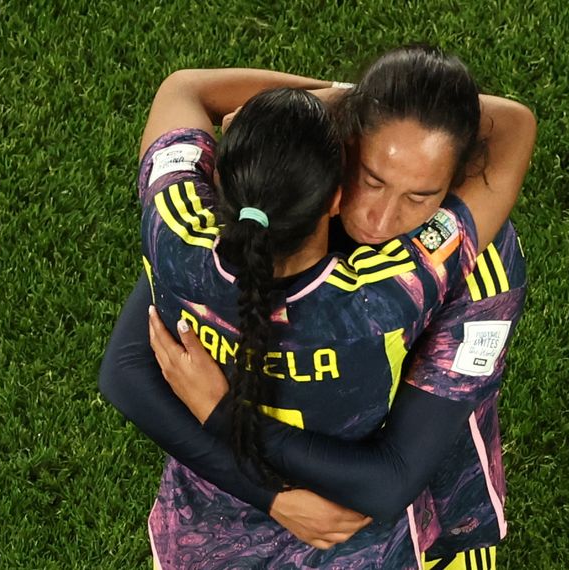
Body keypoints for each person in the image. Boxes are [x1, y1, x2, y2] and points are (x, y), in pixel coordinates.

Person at [102, 45, 535, 569]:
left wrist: (226, 422)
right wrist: (271, 491)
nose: (379, 220)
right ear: (342, 147)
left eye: (419, 196)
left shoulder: (192, 234)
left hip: (321, 533)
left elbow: (129, 371)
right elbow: (514, 123)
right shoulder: (402, 285)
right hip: (352, 532)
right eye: (371, 179)